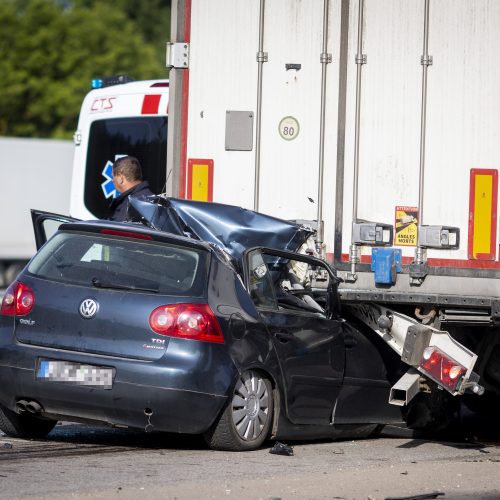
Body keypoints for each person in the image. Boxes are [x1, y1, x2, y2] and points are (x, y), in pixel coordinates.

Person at [109, 156, 154, 221]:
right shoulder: (152, 200)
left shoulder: (129, 206)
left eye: (113, 177)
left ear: (121, 179)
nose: (112, 180)